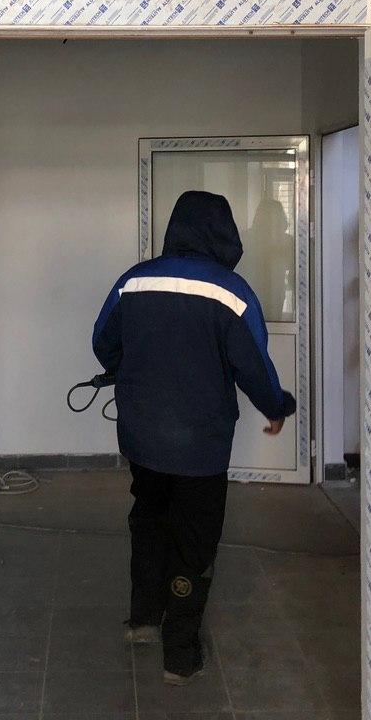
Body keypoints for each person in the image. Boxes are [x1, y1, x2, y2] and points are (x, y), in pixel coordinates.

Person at [90, 190, 297, 684]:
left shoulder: (134, 281)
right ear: (224, 233)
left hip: (142, 435)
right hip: (201, 444)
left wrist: (131, 369)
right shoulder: (232, 293)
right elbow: (254, 368)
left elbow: (103, 342)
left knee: (149, 519)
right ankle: (180, 655)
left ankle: (143, 620)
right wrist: (277, 407)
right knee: (195, 540)